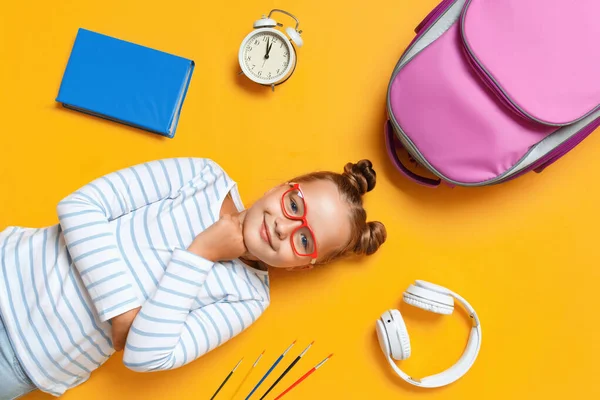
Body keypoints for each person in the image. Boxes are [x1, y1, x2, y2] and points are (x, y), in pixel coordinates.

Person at [0, 157, 386, 399]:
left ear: (304, 265)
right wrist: (122, 314)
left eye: (305, 240)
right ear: (281, 187)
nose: (285, 228)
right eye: (294, 205)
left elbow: (145, 355)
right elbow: (80, 207)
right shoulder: (202, 177)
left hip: (28, 362)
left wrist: (200, 253)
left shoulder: (248, 300)